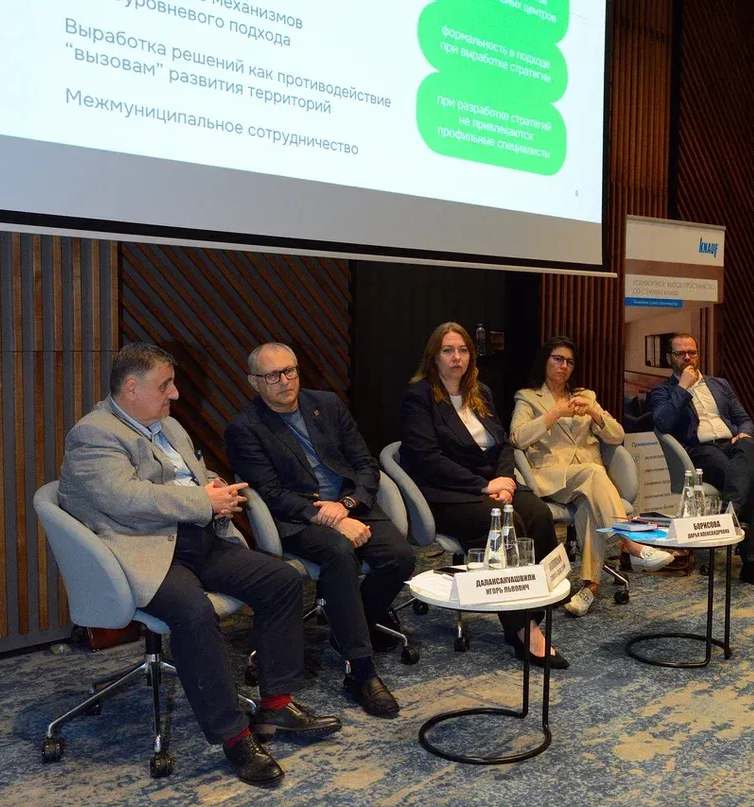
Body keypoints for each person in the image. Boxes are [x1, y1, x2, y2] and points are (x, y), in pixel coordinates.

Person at [57, 343, 339, 788]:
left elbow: (188, 474)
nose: (175, 394)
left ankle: (276, 706)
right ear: (131, 388)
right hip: (143, 550)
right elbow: (126, 499)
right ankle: (234, 737)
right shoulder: (93, 435)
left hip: (197, 539)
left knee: (282, 580)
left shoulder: (167, 424)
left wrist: (215, 487)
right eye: (165, 385)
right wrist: (203, 501)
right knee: (194, 612)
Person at [225, 342, 415, 717]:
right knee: (339, 553)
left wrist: (347, 505)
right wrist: (331, 519)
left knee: (401, 558)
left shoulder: (326, 404)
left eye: (290, 370)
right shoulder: (244, 428)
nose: (285, 381)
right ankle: (361, 671)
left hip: (347, 504)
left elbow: (364, 464)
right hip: (299, 518)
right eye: (273, 375)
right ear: (254, 382)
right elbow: (270, 493)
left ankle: (348, 626)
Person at [399, 322, 568, 668]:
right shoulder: (419, 397)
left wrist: (504, 480)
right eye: (448, 350)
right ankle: (522, 629)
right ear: (434, 357)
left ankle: (535, 607)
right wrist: (484, 486)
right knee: (507, 523)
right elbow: (427, 459)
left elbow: (503, 444)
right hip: (447, 492)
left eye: (463, 350)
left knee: (538, 513)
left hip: (493, 483)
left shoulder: (480, 392)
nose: (456, 357)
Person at [511, 337, 673, 618]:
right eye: (558, 359)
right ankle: (630, 542)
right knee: (594, 473)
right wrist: (555, 413)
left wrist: (596, 414)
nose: (564, 366)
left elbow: (617, 436)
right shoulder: (527, 397)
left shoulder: (586, 396)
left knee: (589, 506)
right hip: (552, 477)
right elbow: (517, 438)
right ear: (545, 361)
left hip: (588, 482)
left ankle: (589, 588)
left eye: (569, 362)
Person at [648, 333, 754, 590]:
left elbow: (743, 418)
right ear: (669, 358)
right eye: (680, 353)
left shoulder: (720, 384)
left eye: (692, 352)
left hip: (733, 444)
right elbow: (662, 423)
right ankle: (752, 563)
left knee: (748, 446)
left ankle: (731, 513)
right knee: (744, 478)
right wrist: (682, 388)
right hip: (702, 451)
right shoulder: (662, 391)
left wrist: (745, 433)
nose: (687, 357)